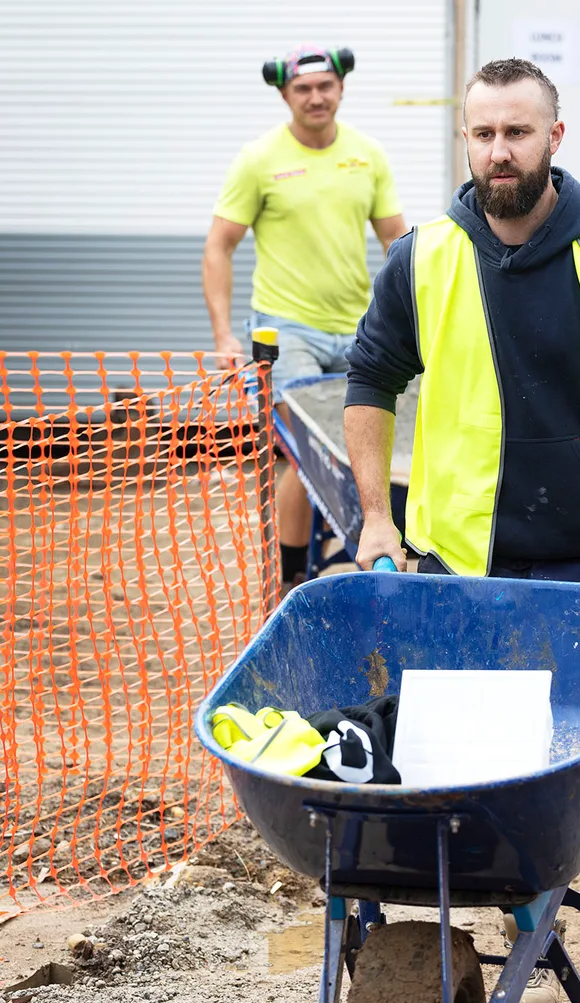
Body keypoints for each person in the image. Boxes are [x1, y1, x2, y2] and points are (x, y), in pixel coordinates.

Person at [344, 58, 580, 1003]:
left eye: (517, 132)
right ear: (464, 141)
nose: (497, 151)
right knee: (448, 747)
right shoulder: (424, 256)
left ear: (554, 138)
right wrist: (377, 520)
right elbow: (370, 381)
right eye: (482, 133)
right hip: (459, 552)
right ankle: (478, 897)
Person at [202, 45, 407, 596]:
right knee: (303, 452)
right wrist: (224, 334)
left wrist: (412, 322)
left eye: (325, 86)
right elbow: (219, 247)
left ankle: (373, 546)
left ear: (340, 88)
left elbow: (397, 242)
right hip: (285, 330)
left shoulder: (368, 155)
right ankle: (291, 575)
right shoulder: (258, 159)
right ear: (285, 94)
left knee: (374, 441)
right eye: (303, 89)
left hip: (358, 329)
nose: (316, 97)